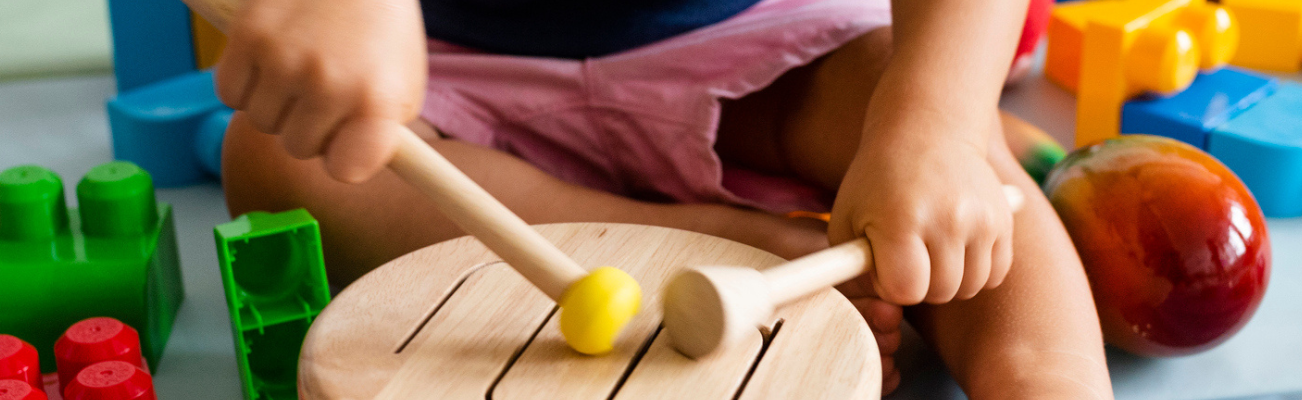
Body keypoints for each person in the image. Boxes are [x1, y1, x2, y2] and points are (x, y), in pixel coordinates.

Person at [201, 0, 1109, 396]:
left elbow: (937, 118)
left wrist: (935, 123)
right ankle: (714, 243)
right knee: (287, 158)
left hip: (761, 40)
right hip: (446, 69)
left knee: (934, 138)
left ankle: (1047, 380)